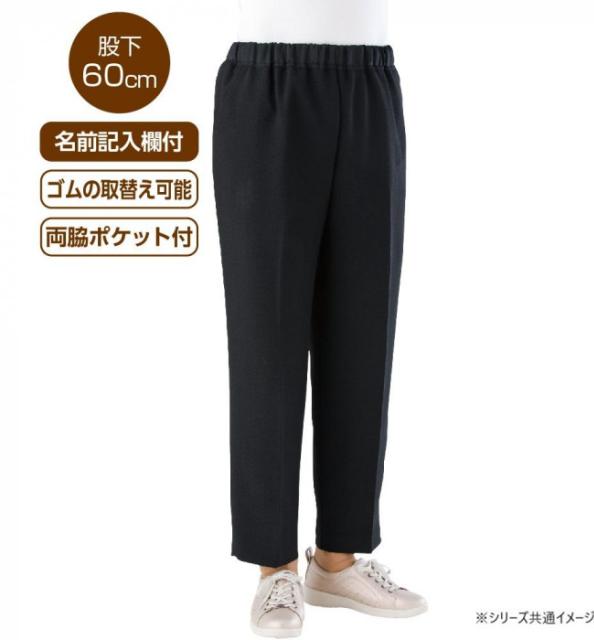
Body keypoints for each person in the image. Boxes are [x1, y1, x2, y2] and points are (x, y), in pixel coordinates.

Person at [212, 1, 427, 635]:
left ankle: (337, 560)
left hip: (370, 83)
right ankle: (274, 568)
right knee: (266, 339)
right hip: (269, 84)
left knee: (364, 331)